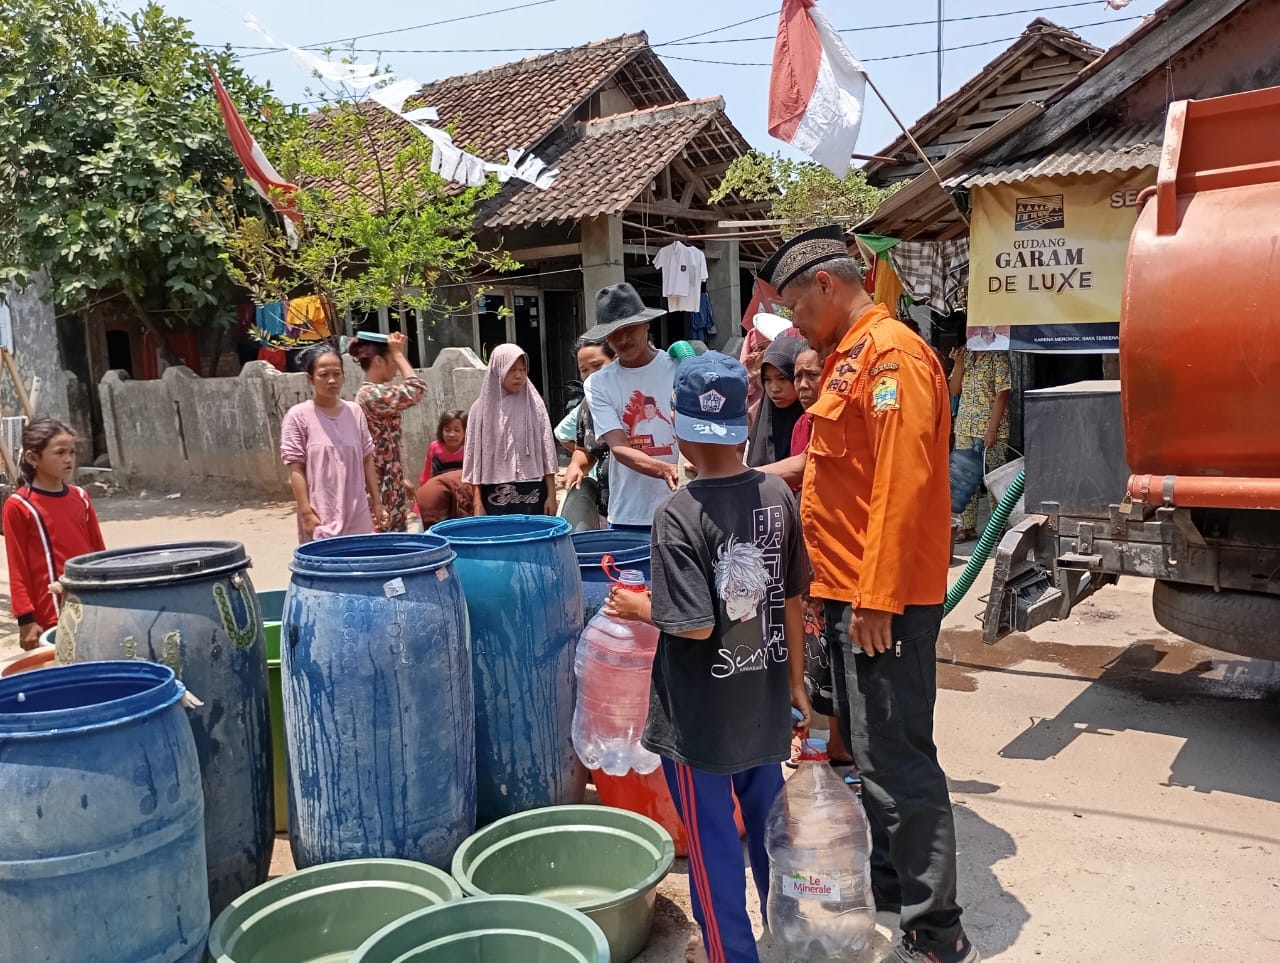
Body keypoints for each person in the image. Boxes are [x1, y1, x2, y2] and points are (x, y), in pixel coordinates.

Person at [760, 225, 979, 963]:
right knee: (867, 757)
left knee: (901, 762)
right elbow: (838, 481)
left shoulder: (893, 357)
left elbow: (902, 484)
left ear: (827, 284)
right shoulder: (850, 359)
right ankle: (889, 883)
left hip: (883, 600)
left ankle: (936, 932)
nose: (794, 327)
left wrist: (878, 597)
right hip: (848, 592)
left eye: (795, 307)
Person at [604, 352, 810, 963]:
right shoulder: (776, 491)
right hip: (766, 701)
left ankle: (727, 954)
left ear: (680, 428)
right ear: (744, 424)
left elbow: (692, 627)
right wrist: (796, 686)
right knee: (770, 831)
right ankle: (786, 934)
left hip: (700, 721)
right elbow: (793, 595)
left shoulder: (677, 513)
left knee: (714, 844)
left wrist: (639, 609)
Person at [582, 283, 680, 531]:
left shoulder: (679, 366)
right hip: (630, 514)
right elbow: (619, 447)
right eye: (615, 333)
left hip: (681, 508)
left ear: (647, 324)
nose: (624, 339)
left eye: (630, 328)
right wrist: (667, 470)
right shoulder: (599, 383)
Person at [3, 418, 105, 650]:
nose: (68, 459)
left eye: (71, 452)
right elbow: (17, 565)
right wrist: (25, 618)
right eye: (59, 453)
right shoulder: (19, 505)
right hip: (51, 613)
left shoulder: (81, 497)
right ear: (33, 458)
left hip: (92, 603)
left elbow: (99, 553)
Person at [281, 346, 387, 543]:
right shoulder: (298, 416)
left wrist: (378, 503)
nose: (332, 380)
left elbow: (367, 460)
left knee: (360, 566)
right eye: (323, 374)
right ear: (310, 378)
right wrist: (306, 512)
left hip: (357, 513)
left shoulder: (355, 412)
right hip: (320, 515)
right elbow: (295, 468)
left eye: (337, 374)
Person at [462, 343, 559, 517]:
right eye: (512, 369)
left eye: (522, 369)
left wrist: (551, 496)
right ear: (497, 369)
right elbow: (474, 459)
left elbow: (547, 452)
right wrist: (477, 502)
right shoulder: (480, 410)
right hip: (495, 492)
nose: (518, 375)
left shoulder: (535, 405)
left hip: (532, 490)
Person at [350, 332, 427, 532]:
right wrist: (399, 354)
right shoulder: (371, 395)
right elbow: (416, 389)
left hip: (389, 485)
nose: (396, 366)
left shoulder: (376, 393)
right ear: (378, 361)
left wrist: (400, 477)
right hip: (380, 491)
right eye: (392, 361)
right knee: (384, 548)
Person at [948, 347, 1012, 541]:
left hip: (991, 429)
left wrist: (992, 429)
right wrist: (958, 364)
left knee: (994, 480)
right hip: (965, 427)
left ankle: (998, 528)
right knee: (965, 479)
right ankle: (967, 527)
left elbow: (1002, 393)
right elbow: (954, 390)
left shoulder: (997, 357)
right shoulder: (965, 355)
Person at [560, 337, 615, 529]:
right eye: (584, 370)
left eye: (597, 366)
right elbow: (584, 449)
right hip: (608, 510)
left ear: (615, 359)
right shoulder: (587, 406)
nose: (591, 375)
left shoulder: (634, 396)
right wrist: (576, 465)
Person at [746, 334, 805, 469]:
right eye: (767, 379)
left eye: (782, 378)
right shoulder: (757, 417)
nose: (774, 389)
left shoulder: (813, 423)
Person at [420, 410, 467, 484]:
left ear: (465, 432)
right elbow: (427, 471)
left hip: (463, 487)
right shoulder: (434, 447)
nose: (451, 434)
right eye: (447, 430)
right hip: (439, 487)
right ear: (441, 431)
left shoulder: (468, 450)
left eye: (457, 430)